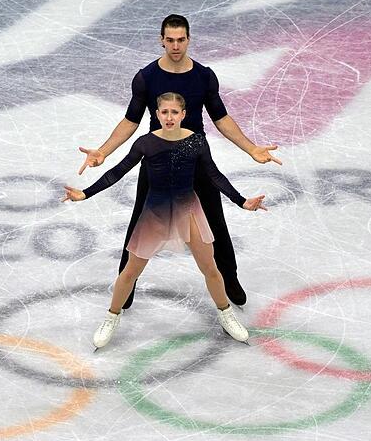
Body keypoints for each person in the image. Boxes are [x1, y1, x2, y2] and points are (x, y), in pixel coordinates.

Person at [77, 14, 280, 310]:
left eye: (180, 39)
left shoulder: (203, 76)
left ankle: (230, 278)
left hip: (196, 158)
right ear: (161, 40)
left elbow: (220, 118)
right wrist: (104, 151)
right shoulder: (147, 77)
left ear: (188, 39)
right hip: (157, 160)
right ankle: (127, 284)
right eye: (169, 40)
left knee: (215, 223)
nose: (175, 45)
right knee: (139, 223)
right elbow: (131, 120)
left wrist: (250, 149)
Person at [64, 93, 266, 348]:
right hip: (155, 212)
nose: (169, 117)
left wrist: (242, 201)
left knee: (211, 268)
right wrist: (85, 193)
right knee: (130, 272)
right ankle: (111, 317)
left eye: (174, 112)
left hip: (188, 211)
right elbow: (117, 171)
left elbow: (214, 175)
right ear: (157, 115)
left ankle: (226, 315)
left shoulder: (197, 142)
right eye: (164, 112)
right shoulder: (145, 143)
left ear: (183, 115)